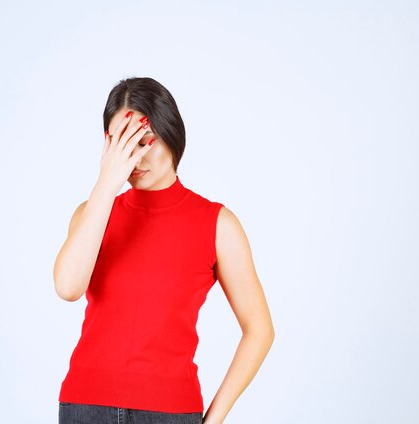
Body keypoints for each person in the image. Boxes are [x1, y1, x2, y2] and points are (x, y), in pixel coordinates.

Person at [53, 77, 275, 424]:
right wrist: (107, 182)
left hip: (169, 412)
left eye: (144, 141)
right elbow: (68, 287)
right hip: (85, 406)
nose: (135, 157)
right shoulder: (93, 213)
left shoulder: (217, 224)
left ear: (171, 135)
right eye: (122, 145)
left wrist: (213, 420)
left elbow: (259, 329)